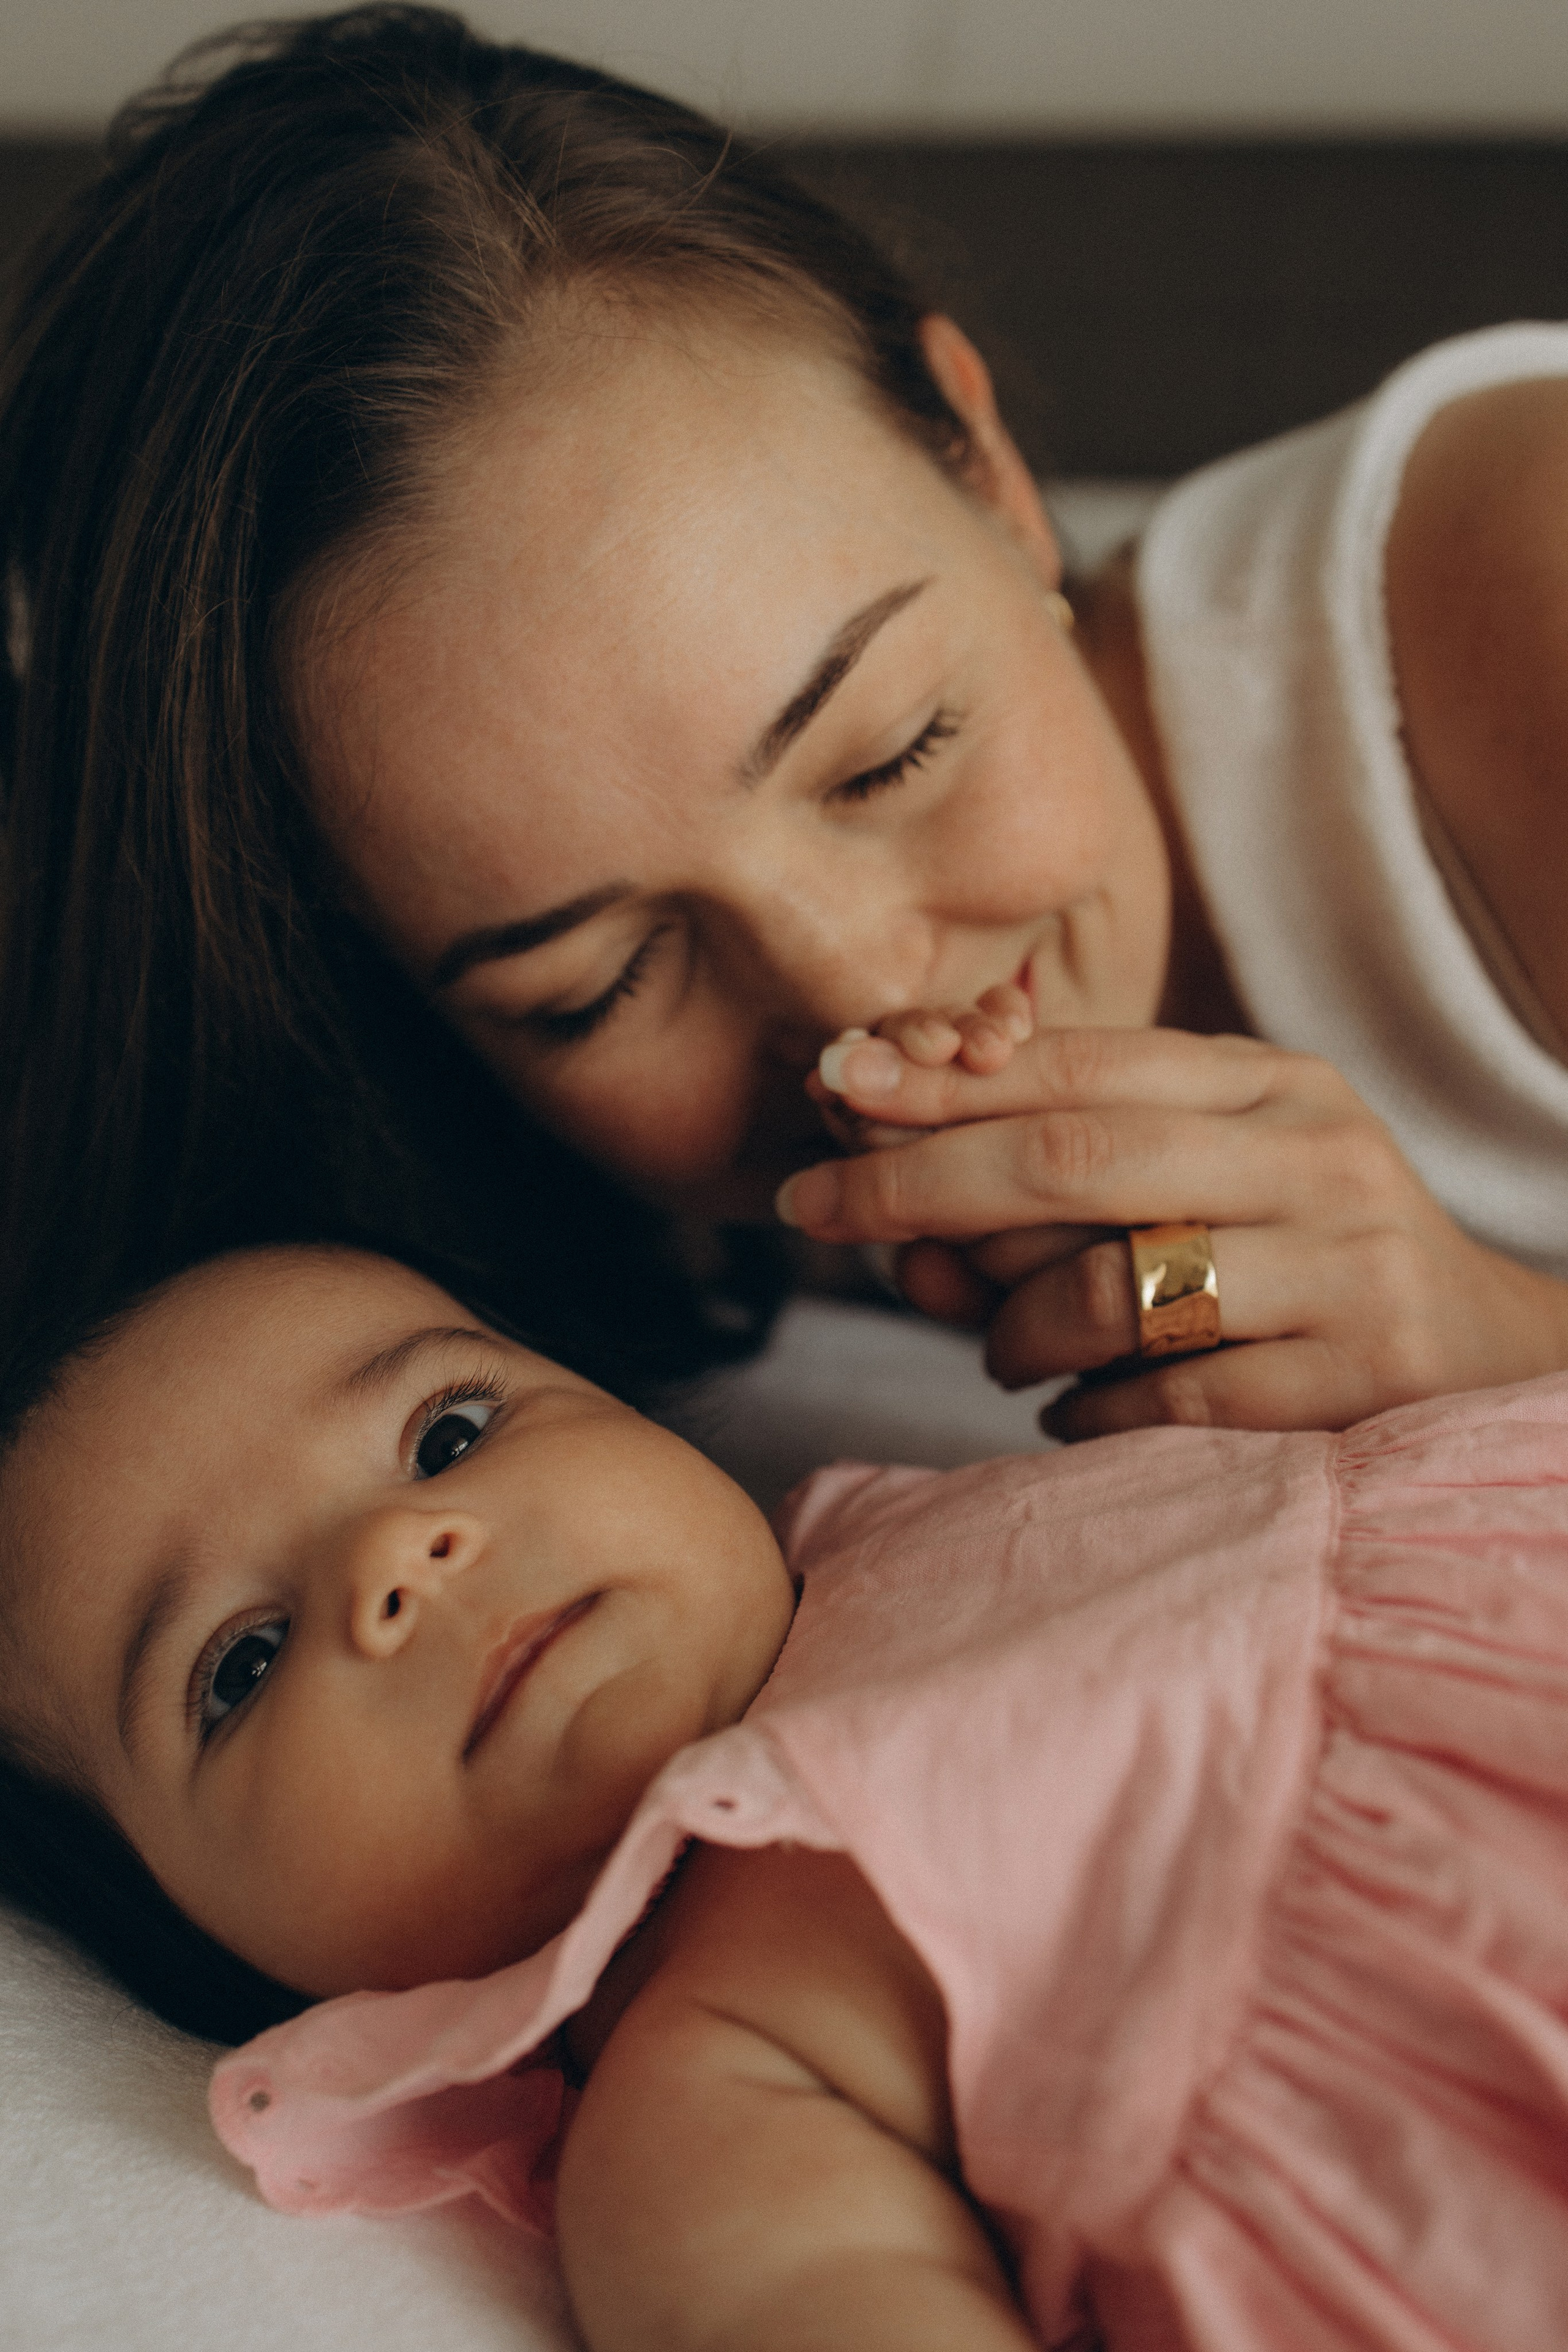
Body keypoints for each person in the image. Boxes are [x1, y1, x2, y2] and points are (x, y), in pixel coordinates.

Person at [5, 6, 1568, 1437]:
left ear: (982, 467)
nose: (859, 998)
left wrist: (1500, 1347)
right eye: (596, 986)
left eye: (893, 754)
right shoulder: (490, 1238)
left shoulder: (1520, 575)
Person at [2, 1238, 1568, 2350]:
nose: (397, 1559)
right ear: (213, 1949)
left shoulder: (902, 1511)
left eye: (449, 1436)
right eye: (243, 1663)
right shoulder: (700, 2078)